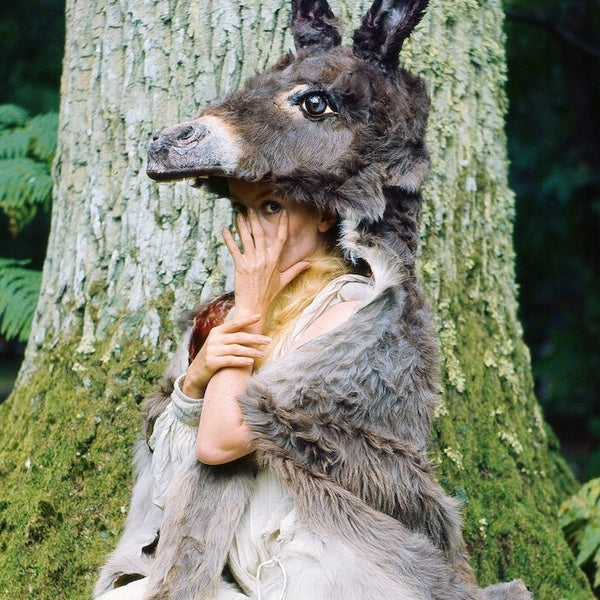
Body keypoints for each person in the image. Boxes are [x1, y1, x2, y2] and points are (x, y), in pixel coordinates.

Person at [95, 178, 373, 599]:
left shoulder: (353, 314)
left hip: (313, 576)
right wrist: (193, 382)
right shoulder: (221, 317)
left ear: (324, 213)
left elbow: (218, 445)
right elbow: (173, 491)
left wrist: (247, 312)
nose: (251, 230)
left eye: (271, 207)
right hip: (218, 569)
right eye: (242, 210)